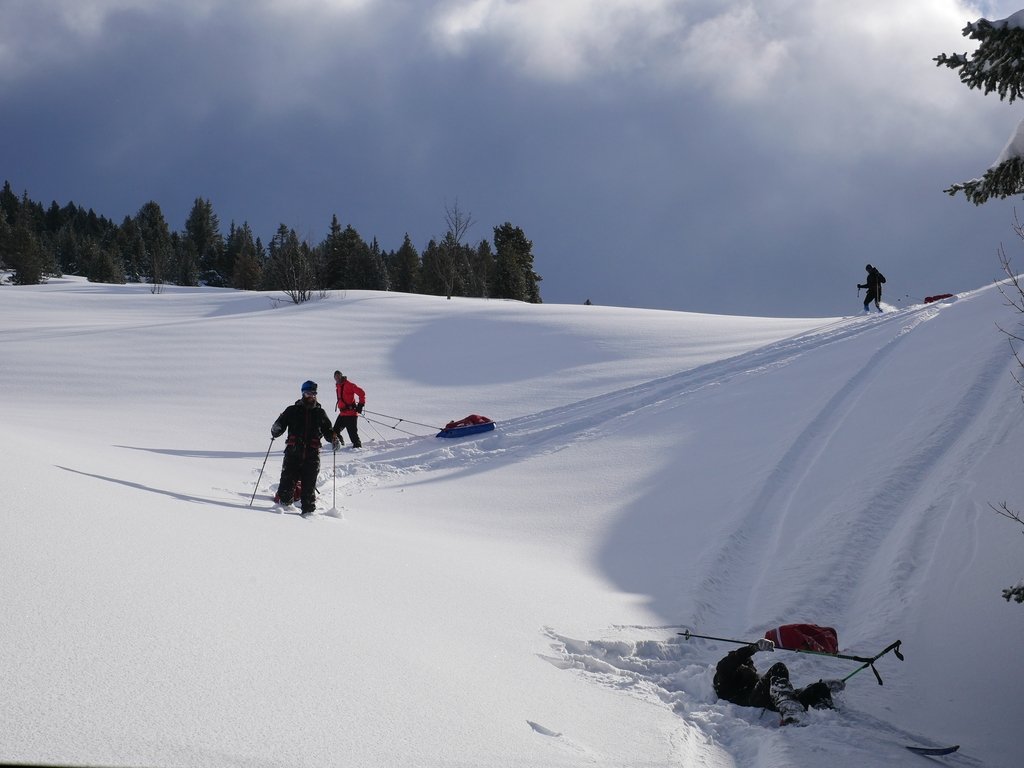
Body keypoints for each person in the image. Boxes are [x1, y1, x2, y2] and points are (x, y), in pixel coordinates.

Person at [713, 639, 840, 725]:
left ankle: (823, 703)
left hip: (770, 698)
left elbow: (779, 690)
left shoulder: (749, 674)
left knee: (815, 689)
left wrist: (821, 687)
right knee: (778, 668)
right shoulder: (723, 677)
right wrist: (753, 648)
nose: (751, 665)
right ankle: (789, 709)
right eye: (748, 662)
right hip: (750, 700)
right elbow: (728, 663)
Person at [270, 380, 339, 515]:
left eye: (314, 393)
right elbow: (278, 428)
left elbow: (328, 431)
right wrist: (276, 429)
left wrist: (334, 439)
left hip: (312, 456)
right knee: (286, 486)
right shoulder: (292, 410)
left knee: (309, 490)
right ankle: (282, 512)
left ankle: (309, 516)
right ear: (303, 393)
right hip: (293, 454)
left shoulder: (320, 413)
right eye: (308, 393)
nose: (311, 396)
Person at [333, 370, 366, 449]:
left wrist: (360, 405)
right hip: (342, 414)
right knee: (334, 431)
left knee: (352, 434)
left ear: (341, 376)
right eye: (335, 377)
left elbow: (362, 393)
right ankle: (340, 444)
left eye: (338, 376)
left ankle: (358, 448)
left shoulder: (349, 385)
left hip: (351, 414)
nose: (337, 378)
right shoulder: (338, 386)